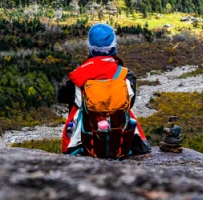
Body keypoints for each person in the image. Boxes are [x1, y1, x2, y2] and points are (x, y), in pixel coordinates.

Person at [57, 23, 151, 158]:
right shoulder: (126, 75)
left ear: (90, 47)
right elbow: (131, 102)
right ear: (114, 47)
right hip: (122, 137)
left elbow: (61, 96)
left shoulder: (78, 76)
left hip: (82, 140)